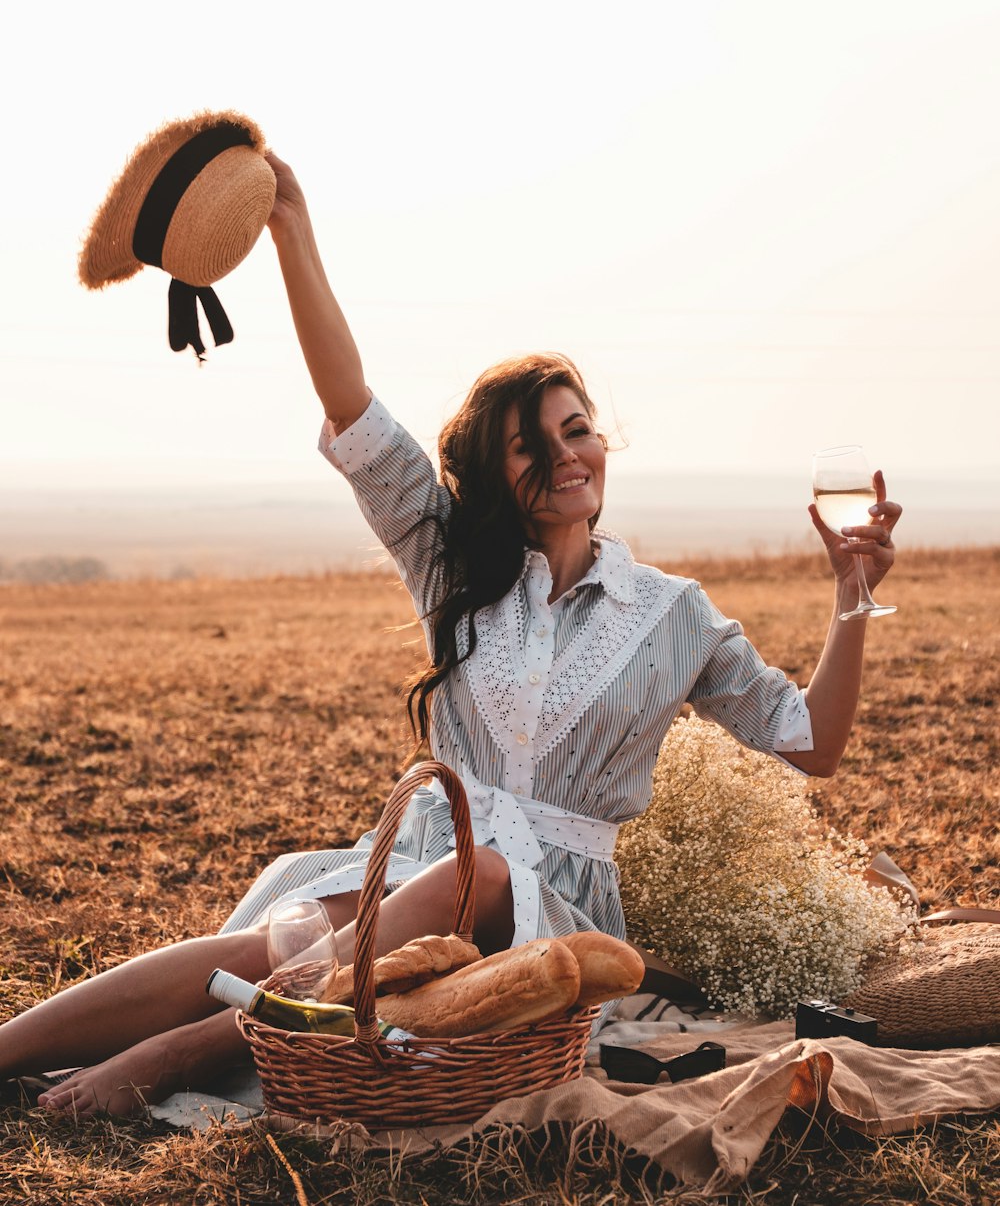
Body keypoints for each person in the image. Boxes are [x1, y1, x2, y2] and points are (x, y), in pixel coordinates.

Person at [1, 154, 901, 1116]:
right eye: (532, 442)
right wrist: (292, 233)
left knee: (492, 869)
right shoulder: (449, 564)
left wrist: (851, 598)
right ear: (495, 465)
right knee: (265, 948)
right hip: (423, 865)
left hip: (544, 916)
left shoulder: (673, 613)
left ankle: (173, 1057)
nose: (566, 455)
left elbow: (814, 740)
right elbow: (354, 410)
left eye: (578, 429)